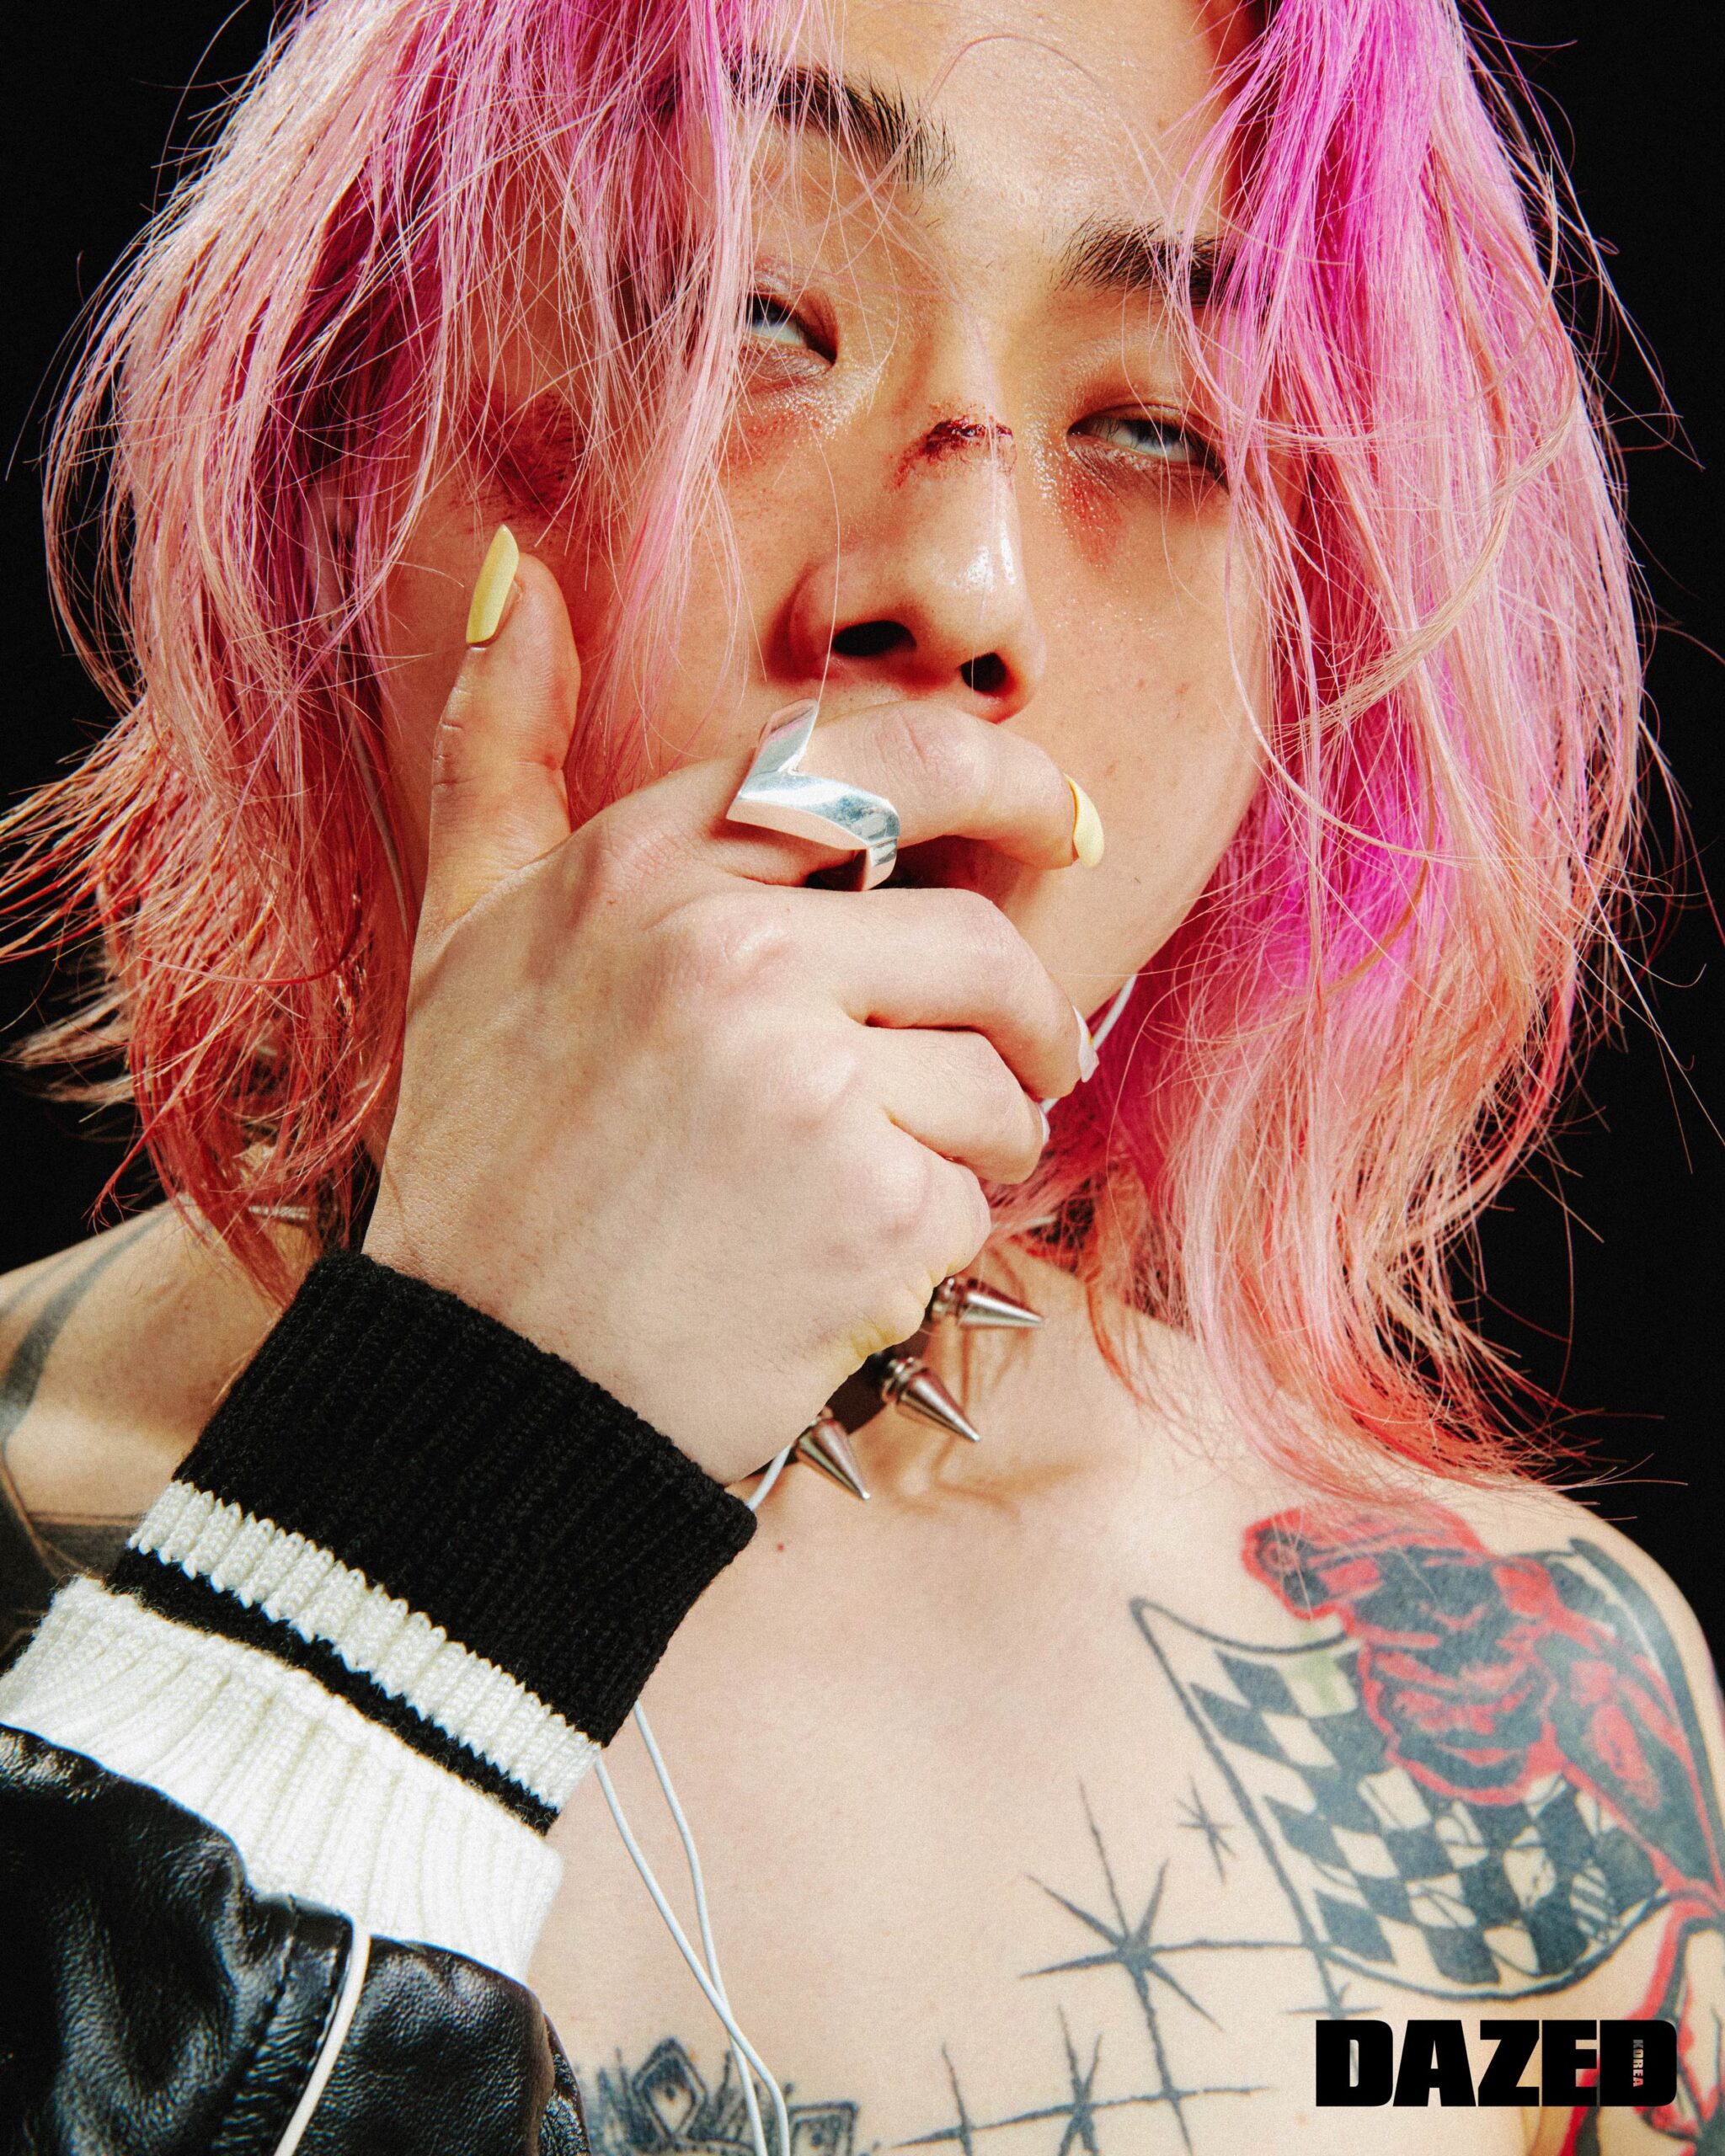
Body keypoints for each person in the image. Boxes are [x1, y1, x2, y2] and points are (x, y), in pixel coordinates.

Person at [1, 0, 1718, 2148]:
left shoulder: (1531, 1735)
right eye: (751, 314)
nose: (961, 589)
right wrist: (457, 1445)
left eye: (1159, 427)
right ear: (341, 438)